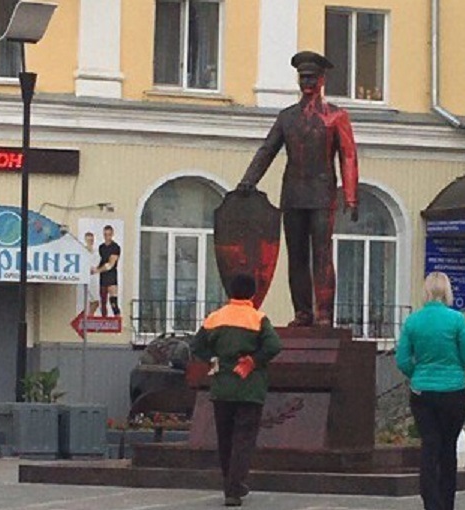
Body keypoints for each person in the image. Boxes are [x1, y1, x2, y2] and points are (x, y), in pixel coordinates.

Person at [237, 50, 359, 328]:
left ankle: (324, 314)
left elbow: (348, 156)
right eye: (303, 77)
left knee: (322, 253)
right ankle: (303, 313)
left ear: (322, 79)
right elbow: (267, 150)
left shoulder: (336, 117)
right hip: (292, 194)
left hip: (322, 194)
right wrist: (248, 181)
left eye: (312, 78)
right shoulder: (287, 117)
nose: (307, 82)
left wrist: (350, 196)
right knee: (297, 256)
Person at [192, 273, 282, 507]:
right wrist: (253, 360)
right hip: (250, 387)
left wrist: (213, 359)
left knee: (225, 438)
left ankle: (228, 487)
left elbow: (196, 346)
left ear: (230, 291)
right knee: (243, 439)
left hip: (222, 387)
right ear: (252, 293)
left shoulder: (215, 318)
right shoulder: (258, 318)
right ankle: (235, 487)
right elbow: (274, 345)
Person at [395, 272, 465, 510]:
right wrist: (454, 367)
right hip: (453, 391)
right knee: (448, 447)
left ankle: (430, 503)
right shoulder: (456, 320)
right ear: (447, 292)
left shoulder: (413, 321)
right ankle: (446, 503)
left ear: (426, 291)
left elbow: (402, 360)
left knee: (429, 446)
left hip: (422, 393)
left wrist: (418, 374)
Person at [95, 225, 121, 317]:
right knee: (103, 300)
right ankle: (103, 320)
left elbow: (110, 264)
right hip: (103, 276)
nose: (107, 237)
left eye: (109, 234)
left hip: (111, 276)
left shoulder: (115, 247)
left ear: (112, 234)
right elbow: (100, 260)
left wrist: (98, 270)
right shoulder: (101, 247)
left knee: (113, 301)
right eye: (105, 234)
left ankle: (117, 319)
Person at [83, 232, 101, 317]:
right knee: (92, 300)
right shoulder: (83, 252)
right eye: (89, 240)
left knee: (95, 301)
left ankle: (90, 317)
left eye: (92, 240)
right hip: (86, 278)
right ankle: (89, 317)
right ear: (85, 240)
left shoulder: (96, 252)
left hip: (94, 279)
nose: (90, 241)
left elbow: (96, 266)